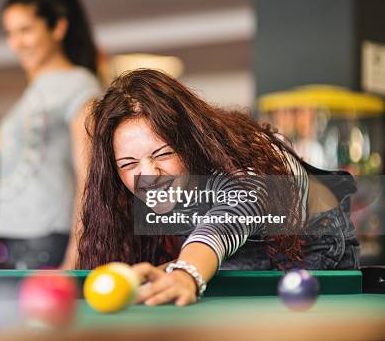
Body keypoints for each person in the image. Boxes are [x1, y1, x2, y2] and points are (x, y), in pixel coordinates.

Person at [76, 69, 359, 306]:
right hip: (233, 252)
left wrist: (186, 271)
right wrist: (174, 272)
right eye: (128, 164)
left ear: (188, 143)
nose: (149, 175)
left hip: (314, 250)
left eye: (163, 154)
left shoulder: (244, 162)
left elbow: (230, 215)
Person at [0, 0, 101, 269]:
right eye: (10, 33)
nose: (16, 43)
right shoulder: (36, 89)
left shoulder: (79, 85)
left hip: (48, 238)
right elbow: (10, 152)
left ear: (58, 28)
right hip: (15, 234)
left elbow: (89, 177)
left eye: (26, 30)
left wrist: (74, 255)